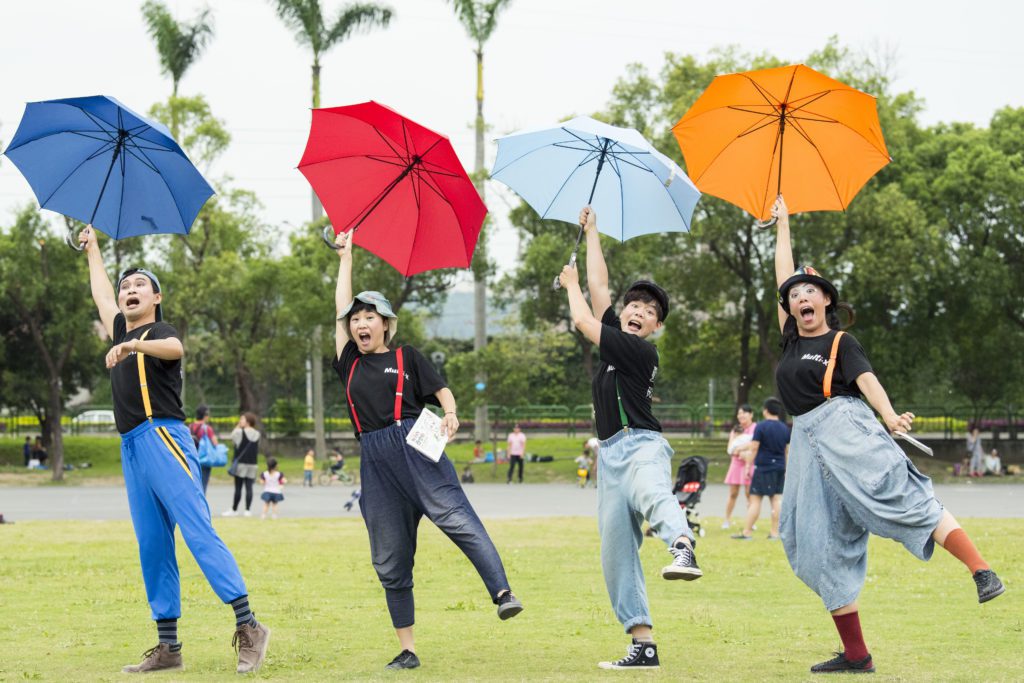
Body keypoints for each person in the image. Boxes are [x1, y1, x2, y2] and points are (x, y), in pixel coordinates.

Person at [770, 197, 1004, 674]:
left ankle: (981, 571)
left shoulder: (840, 342)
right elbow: (781, 273)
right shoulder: (791, 337)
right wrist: (783, 224)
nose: (801, 298)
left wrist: (891, 416)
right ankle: (857, 656)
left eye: (810, 292)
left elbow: (867, 381)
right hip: (806, 445)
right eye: (795, 295)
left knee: (899, 496)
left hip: (846, 428)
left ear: (827, 301)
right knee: (812, 542)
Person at [78, 226, 269, 675]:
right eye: (126, 286)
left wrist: (130, 343)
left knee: (198, 531)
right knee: (152, 543)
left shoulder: (158, 331)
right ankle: (169, 647)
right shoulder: (120, 324)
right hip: (131, 447)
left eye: (139, 284)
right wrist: (94, 248)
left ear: (156, 297)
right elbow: (101, 295)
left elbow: (175, 347)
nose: (128, 290)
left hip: (164, 438)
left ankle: (250, 626)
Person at [331, 230, 523, 670]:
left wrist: (451, 413)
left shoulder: (408, 356)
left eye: (369, 316)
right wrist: (346, 259)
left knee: (457, 516)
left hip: (418, 440)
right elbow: (337, 309)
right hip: (374, 458)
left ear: (385, 323)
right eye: (355, 318)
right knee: (390, 554)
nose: (361, 323)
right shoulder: (348, 361)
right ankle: (408, 648)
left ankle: (503, 593)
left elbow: (442, 392)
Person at [558, 206, 701, 670]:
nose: (640, 311)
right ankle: (643, 644)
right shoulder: (617, 338)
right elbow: (601, 289)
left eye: (650, 311)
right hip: (610, 455)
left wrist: (570, 286)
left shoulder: (639, 351)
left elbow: (584, 318)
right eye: (634, 306)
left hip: (642, 446)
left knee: (651, 491)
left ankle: (682, 544)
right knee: (616, 552)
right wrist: (593, 232)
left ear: (656, 327)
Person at [732, 399, 789, 540]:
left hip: (763, 467)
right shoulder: (785, 428)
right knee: (776, 499)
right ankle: (775, 533)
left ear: (765, 410)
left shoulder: (761, 427)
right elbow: (787, 451)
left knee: (755, 500)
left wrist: (747, 466)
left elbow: (754, 447)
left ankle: (747, 532)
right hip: (780, 467)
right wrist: (786, 468)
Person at [722, 405, 756, 529]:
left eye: (744, 413)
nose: (741, 416)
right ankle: (726, 520)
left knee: (749, 494)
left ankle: (751, 522)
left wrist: (740, 449)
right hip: (736, 464)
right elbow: (730, 449)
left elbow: (754, 445)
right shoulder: (735, 430)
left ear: (751, 414)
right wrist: (741, 451)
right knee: (733, 493)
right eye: (739, 414)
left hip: (749, 463)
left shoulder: (755, 428)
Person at [223, 413, 260, 517]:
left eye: (242, 419)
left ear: (248, 421)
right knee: (249, 487)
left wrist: (238, 426)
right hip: (253, 464)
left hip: (241, 464)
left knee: (238, 487)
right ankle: (248, 510)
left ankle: (234, 509)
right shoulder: (257, 433)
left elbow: (232, 436)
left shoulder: (239, 432)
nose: (240, 421)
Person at [189, 405, 219, 493]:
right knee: (203, 484)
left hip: (191, 458)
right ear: (205, 415)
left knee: (193, 483)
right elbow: (215, 443)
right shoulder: (207, 429)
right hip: (205, 459)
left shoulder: (190, 427)